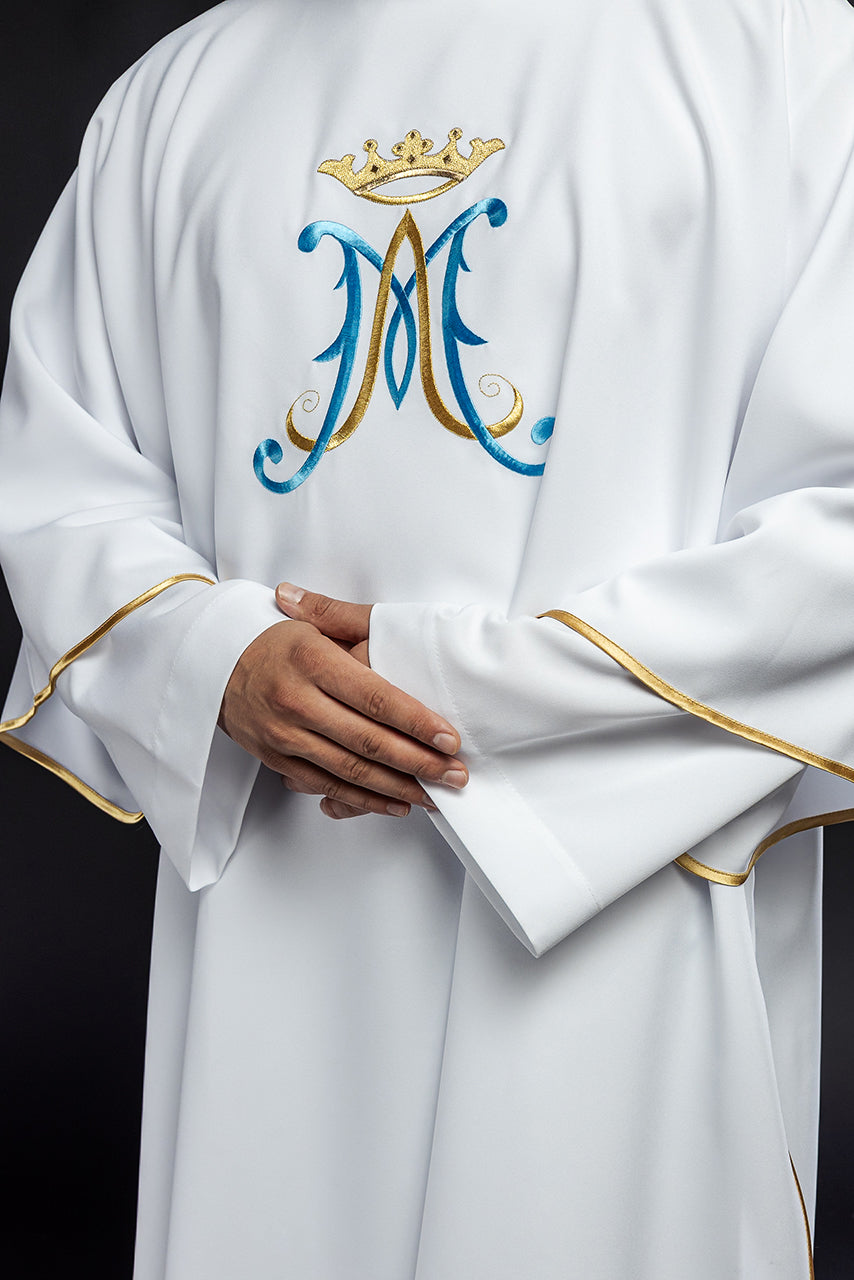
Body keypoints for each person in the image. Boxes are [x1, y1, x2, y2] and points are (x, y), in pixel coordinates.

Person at [2, 0, 854, 1274]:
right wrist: (212, 660)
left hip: (623, 919)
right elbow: (67, 485)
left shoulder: (788, 55)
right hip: (276, 931)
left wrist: (465, 693)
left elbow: (832, 540)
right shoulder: (171, 99)